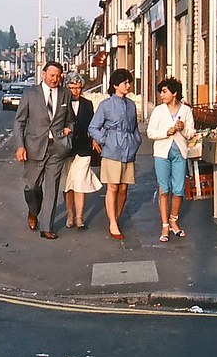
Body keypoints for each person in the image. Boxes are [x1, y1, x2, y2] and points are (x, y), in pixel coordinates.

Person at [12, 61, 75, 240]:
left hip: (57, 148)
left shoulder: (65, 94)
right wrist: (20, 146)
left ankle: (47, 227)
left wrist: (69, 130)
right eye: (52, 75)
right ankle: (33, 211)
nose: (55, 79)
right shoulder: (30, 94)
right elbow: (19, 122)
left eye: (58, 76)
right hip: (33, 148)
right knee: (31, 186)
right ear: (44, 74)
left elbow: (70, 119)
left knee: (52, 189)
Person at [88, 68, 141, 240]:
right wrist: (105, 140)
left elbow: (134, 128)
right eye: (125, 82)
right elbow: (93, 127)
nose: (128, 85)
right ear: (115, 85)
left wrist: (136, 141)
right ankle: (113, 223)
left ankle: (116, 217)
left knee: (124, 188)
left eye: (128, 82)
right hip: (112, 150)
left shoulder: (131, 105)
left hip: (128, 150)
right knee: (113, 187)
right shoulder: (106, 105)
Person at [146, 77, 196, 242]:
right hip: (162, 153)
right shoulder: (159, 111)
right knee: (164, 189)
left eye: (165, 91)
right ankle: (165, 225)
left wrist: (182, 129)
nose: (162, 95)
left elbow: (191, 134)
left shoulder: (186, 111)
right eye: (161, 92)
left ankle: (174, 220)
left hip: (179, 153)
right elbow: (151, 133)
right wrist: (166, 132)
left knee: (179, 189)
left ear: (174, 93)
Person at [63, 72, 102, 230]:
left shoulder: (87, 104)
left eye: (78, 88)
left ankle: (79, 217)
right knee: (68, 185)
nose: (75, 91)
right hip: (65, 150)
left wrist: (94, 139)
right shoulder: (61, 104)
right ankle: (70, 215)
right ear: (66, 87)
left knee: (80, 183)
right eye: (72, 87)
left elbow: (92, 125)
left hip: (83, 149)